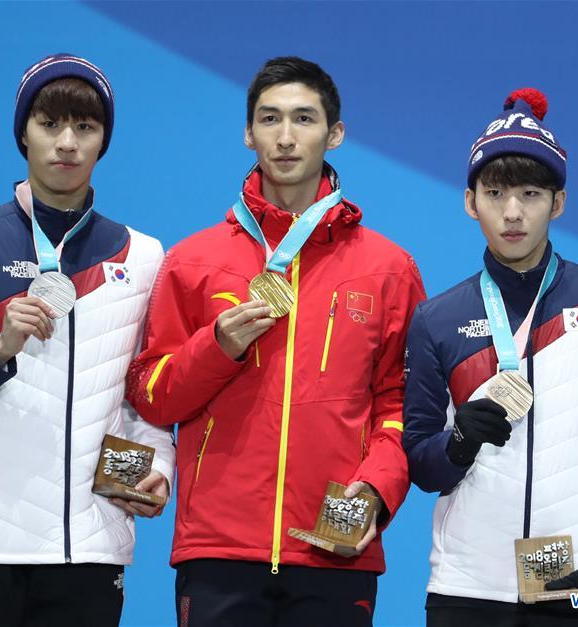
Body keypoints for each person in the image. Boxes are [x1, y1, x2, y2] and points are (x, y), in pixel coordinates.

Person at [126, 56, 425, 626]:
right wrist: (215, 348)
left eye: (304, 120)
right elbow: (152, 394)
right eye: (269, 120)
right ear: (248, 133)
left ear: (334, 134)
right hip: (219, 549)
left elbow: (402, 406)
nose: (286, 138)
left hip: (334, 546)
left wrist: (377, 490)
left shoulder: (389, 268)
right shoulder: (193, 262)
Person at [0, 53, 174, 627]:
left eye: (85, 127)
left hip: (90, 553)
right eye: (50, 124)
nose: (67, 143)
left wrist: (160, 471)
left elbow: (145, 398)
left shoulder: (145, 257)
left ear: (104, 141)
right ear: (23, 134)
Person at [403, 88, 578, 627]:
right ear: (469, 200)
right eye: (496, 193)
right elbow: (421, 465)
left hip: (577, 587)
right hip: (464, 593)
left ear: (559, 202)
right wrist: (458, 443)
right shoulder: (437, 318)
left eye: (531, 192)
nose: (513, 212)